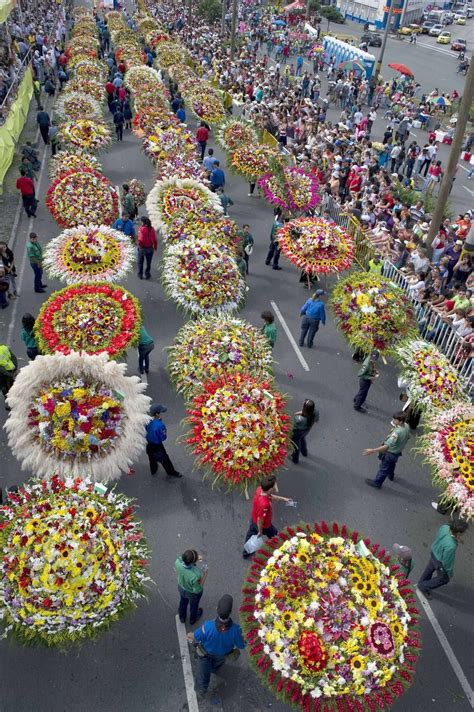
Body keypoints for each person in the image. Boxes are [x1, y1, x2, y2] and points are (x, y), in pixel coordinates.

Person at [187, 594, 246, 702]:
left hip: (205, 655)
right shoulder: (236, 630)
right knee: (216, 665)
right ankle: (214, 669)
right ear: (230, 612)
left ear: (216, 609)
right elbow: (241, 645)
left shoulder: (208, 626)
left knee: (203, 675)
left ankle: (201, 691)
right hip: (222, 655)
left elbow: (196, 636)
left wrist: (189, 635)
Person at [242, 475, 291, 558]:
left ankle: (246, 553)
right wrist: (260, 531)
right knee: (275, 535)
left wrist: (284, 499)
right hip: (264, 525)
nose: (274, 487)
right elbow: (260, 519)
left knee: (250, 535)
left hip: (253, 519)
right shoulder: (265, 504)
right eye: (273, 486)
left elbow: (270, 496)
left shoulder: (259, 489)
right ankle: (281, 549)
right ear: (270, 489)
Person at [418, 520, 468, 597]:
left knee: (430, 568)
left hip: (434, 551)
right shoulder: (451, 546)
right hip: (439, 561)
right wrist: (449, 573)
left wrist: (455, 538)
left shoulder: (445, 527)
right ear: (458, 533)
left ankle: (422, 582)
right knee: (444, 579)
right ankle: (423, 586)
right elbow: (447, 562)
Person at [364, 412, 410, 489]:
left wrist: (373, 450)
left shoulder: (397, 432)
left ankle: (377, 483)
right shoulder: (407, 426)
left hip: (390, 453)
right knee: (392, 464)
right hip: (397, 452)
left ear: (401, 421)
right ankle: (391, 475)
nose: (393, 421)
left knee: (383, 468)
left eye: (395, 420)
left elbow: (387, 446)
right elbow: (407, 437)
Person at [145, 403, 182, 478]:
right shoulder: (160, 425)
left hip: (149, 444)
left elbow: (146, 429)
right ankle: (171, 472)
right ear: (157, 414)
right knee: (165, 459)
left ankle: (153, 470)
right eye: (160, 412)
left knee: (151, 458)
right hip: (157, 446)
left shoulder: (147, 421)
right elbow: (163, 438)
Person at [175, 549, 207, 625]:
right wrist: (205, 574)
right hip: (192, 593)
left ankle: (182, 617)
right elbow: (198, 588)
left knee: (183, 601)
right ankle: (193, 619)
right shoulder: (195, 575)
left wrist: (195, 557)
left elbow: (182, 557)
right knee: (194, 605)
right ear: (193, 562)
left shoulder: (177, 562)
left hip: (181, 587)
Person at [291, 399, 319, 464]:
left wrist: (297, 413)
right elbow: (316, 420)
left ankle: (295, 459)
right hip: (306, 430)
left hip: (297, 432)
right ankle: (304, 452)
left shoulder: (299, 419)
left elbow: (293, 424)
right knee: (302, 439)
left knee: (296, 445)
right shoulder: (315, 413)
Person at [0, 344, 18, 409]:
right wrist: (15, 367)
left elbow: (1, 369)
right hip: (11, 369)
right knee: (12, 385)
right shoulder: (4, 347)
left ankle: (11, 405)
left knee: (5, 389)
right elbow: (13, 357)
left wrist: (8, 374)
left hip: (3, 375)